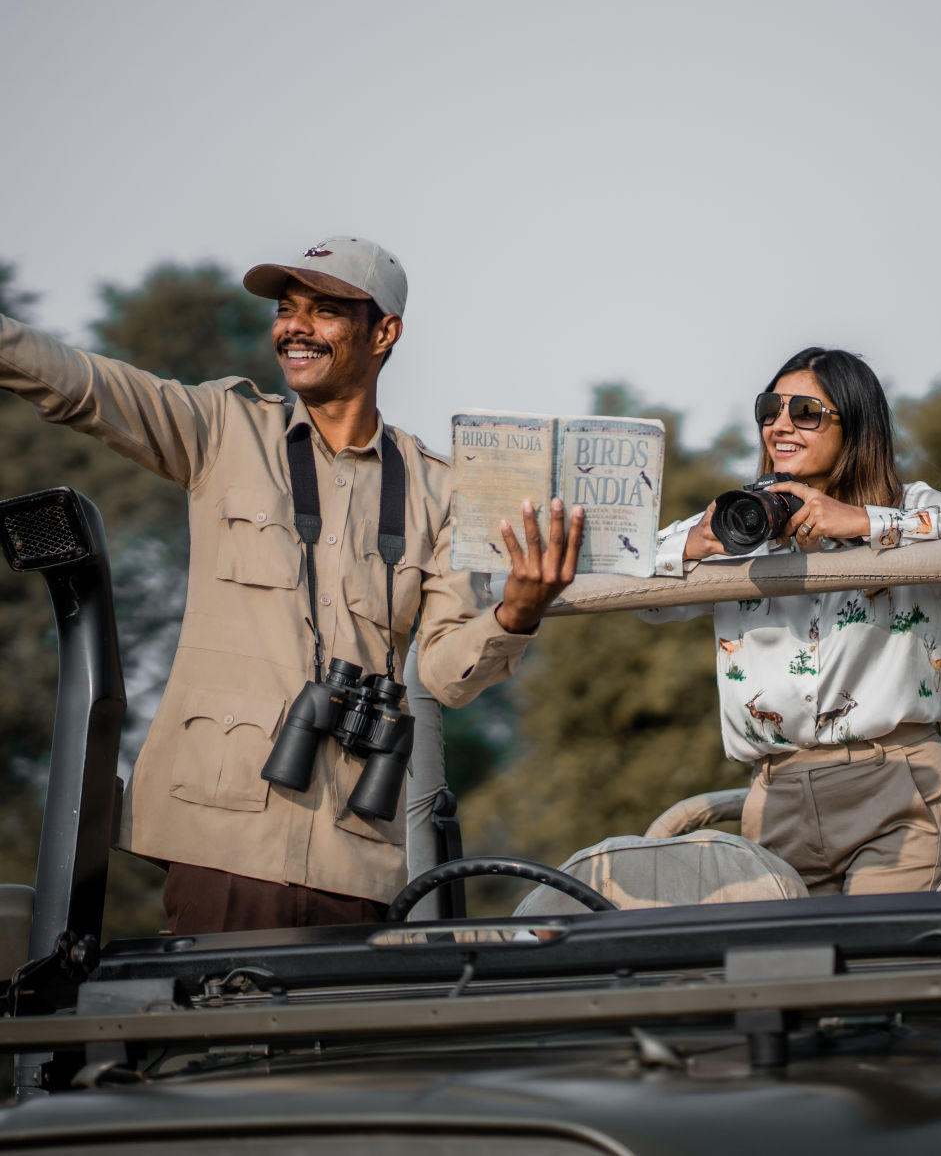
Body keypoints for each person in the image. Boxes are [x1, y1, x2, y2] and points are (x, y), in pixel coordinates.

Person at [0, 235, 583, 932]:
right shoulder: (222, 430)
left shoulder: (441, 489)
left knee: (343, 1041)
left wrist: (516, 611)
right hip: (222, 845)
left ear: (384, 332)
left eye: (325, 310)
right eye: (286, 308)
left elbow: (445, 674)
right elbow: (82, 385)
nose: (294, 326)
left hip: (356, 856)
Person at [642, 348, 941, 894]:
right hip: (775, 789)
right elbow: (630, 584)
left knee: (882, 968)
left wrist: (863, 522)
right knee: (789, 969)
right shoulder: (738, 520)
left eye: (805, 412)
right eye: (770, 409)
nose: (780, 426)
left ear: (854, 427)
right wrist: (697, 544)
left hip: (895, 778)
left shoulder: (907, 506)